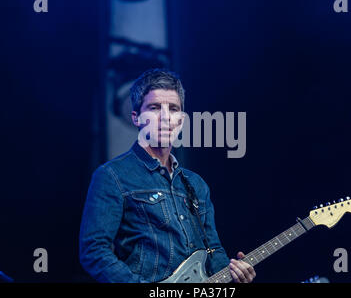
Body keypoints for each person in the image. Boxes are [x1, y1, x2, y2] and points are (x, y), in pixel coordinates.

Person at [79, 68, 256, 283]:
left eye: (173, 109)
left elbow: (214, 250)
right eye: (154, 108)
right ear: (136, 118)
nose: (165, 117)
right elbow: (94, 252)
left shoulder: (196, 185)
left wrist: (234, 275)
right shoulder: (111, 176)